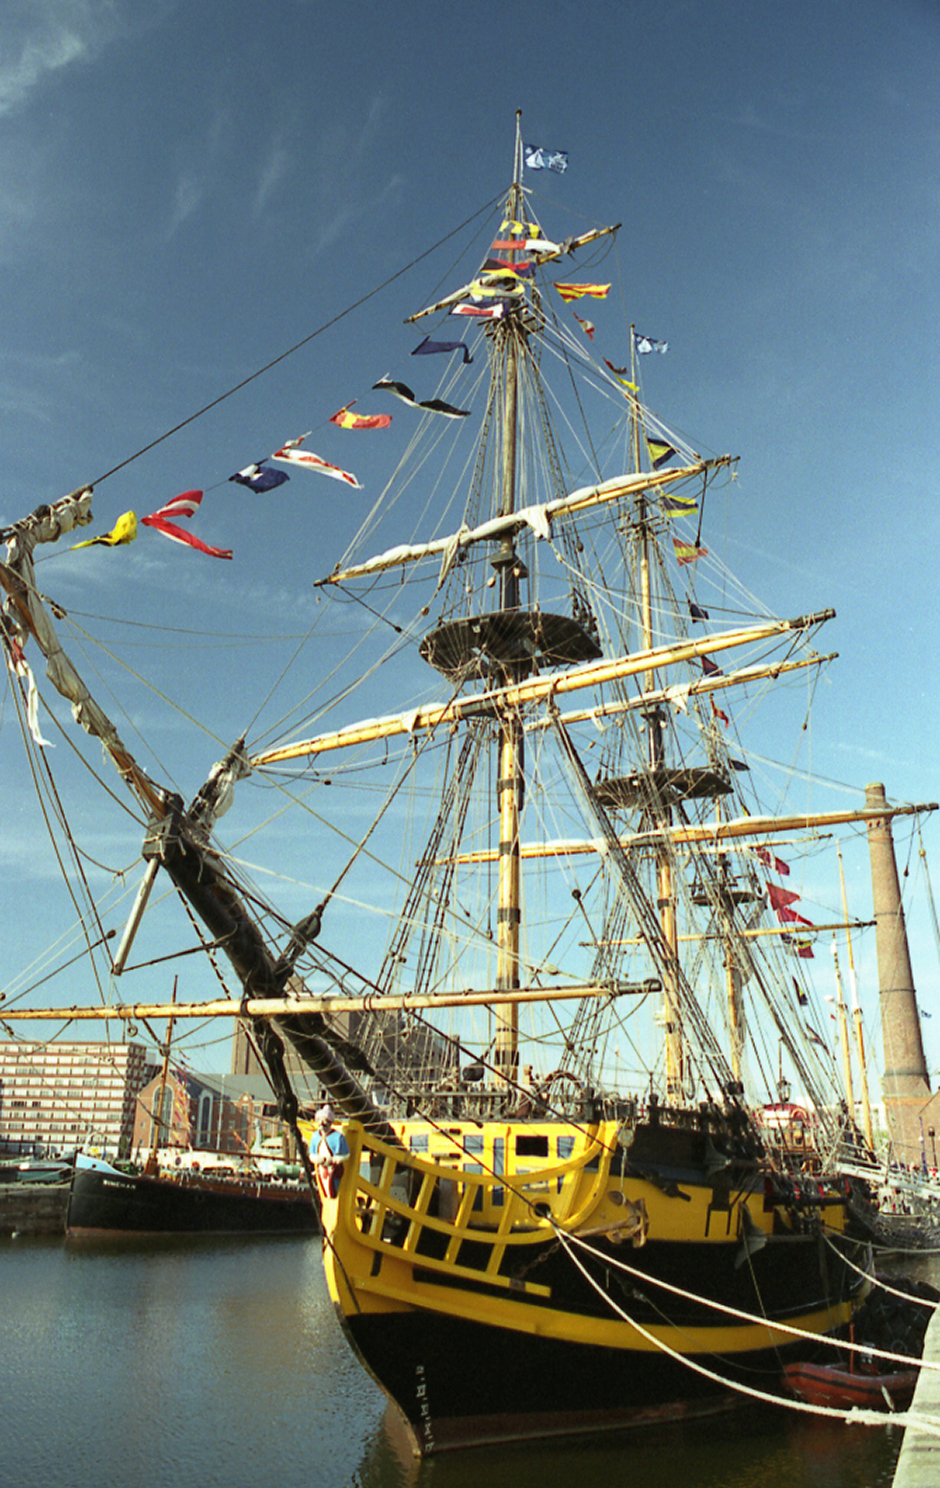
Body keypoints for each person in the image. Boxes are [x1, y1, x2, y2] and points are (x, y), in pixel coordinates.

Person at [313, 1104, 349, 1198]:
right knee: (324, 1189)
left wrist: (337, 1159)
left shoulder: (338, 1137)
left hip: (333, 1168)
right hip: (321, 1168)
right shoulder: (315, 1136)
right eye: (320, 1121)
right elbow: (312, 1153)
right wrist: (317, 1159)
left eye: (325, 1122)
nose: (322, 1124)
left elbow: (346, 1154)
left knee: (332, 1189)